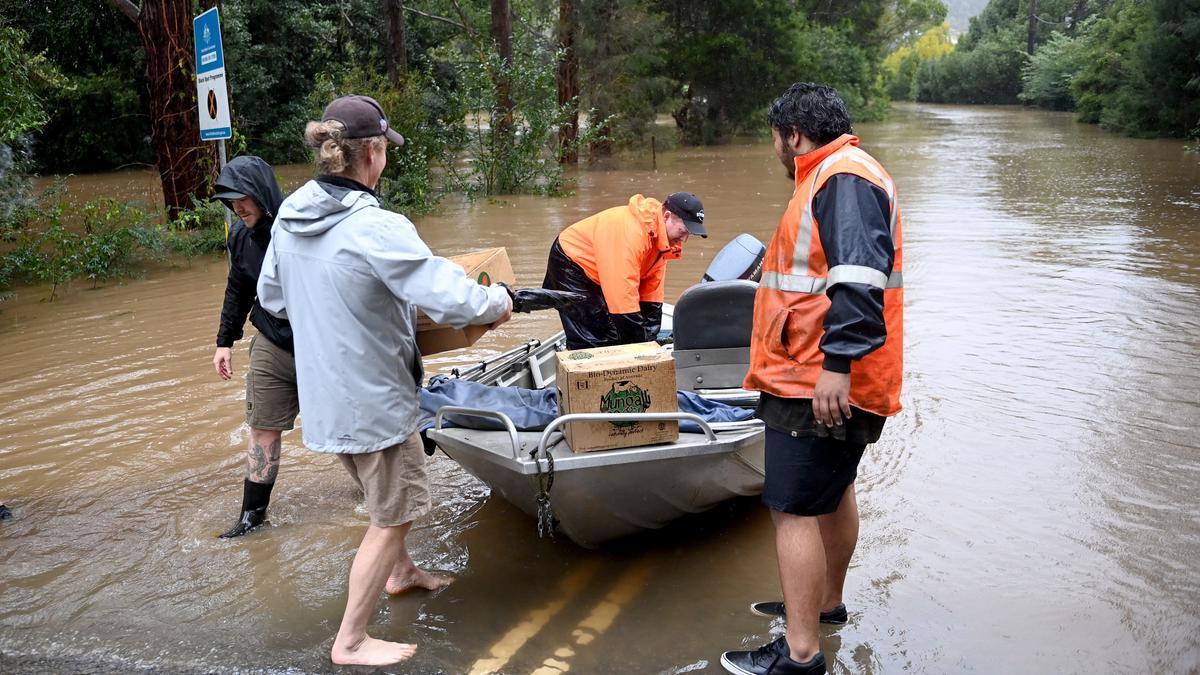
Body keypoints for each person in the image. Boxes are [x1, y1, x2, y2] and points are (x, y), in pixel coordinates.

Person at [257, 95, 512, 667]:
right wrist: (500, 299)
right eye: (383, 151)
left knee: (383, 499)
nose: (385, 160)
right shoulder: (376, 225)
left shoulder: (291, 216)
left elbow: (271, 298)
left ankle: (403, 573)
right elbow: (450, 298)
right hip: (374, 399)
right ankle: (350, 640)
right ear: (371, 153)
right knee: (394, 513)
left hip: (322, 397)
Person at [720, 83, 904, 675]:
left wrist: (836, 366)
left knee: (792, 508)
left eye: (775, 139)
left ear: (792, 134)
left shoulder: (840, 178)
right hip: (832, 377)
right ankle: (823, 606)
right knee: (831, 494)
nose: (775, 149)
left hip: (816, 379)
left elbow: (856, 276)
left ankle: (799, 655)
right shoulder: (843, 174)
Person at [209, 155, 293, 539]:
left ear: (261, 193)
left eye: (242, 197)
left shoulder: (298, 229)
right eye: (230, 201)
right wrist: (225, 341)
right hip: (271, 343)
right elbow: (237, 288)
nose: (236, 207)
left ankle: (372, 500)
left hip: (321, 344)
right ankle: (252, 518)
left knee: (347, 430)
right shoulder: (240, 237)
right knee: (261, 429)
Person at [542, 192, 707, 349]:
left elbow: (651, 294)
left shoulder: (662, 242)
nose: (684, 239)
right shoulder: (632, 234)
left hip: (605, 271)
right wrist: (639, 347)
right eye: (683, 231)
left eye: (689, 234)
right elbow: (622, 301)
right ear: (667, 217)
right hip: (571, 263)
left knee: (624, 334)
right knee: (597, 339)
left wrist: (650, 341)